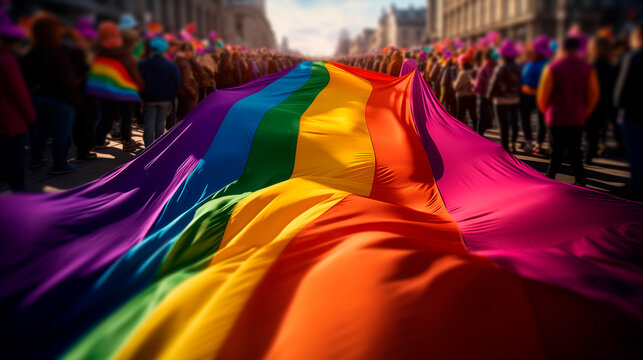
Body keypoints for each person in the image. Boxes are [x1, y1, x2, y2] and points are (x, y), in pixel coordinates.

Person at [21, 12, 79, 174]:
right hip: (60, 100)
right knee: (61, 133)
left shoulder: (30, 54)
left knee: (40, 130)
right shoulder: (57, 54)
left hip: (38, 99)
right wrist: (75, 100)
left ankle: (35, 159)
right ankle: (59, 164)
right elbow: (67, 80)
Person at [538, 36, 600, 187]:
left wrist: (546, 111)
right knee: (575, 151)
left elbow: (543, 95)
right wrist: (585, 112)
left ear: (562, 49)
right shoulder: (587, 69)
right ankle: (580, 180)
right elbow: (594, 95)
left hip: (556, 116)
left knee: (555, 151)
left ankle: (550, 177)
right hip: (577, 116)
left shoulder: (552, 68)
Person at [87, 21, 144, 152]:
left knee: (105, 116)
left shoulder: (101, 52)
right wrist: (141, 86)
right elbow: (134, 73)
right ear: (129, 42)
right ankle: (127, 141)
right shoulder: (125, 54)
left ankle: (99, 141)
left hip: (104, 90)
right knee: (126, 117)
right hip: (125, 91)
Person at [0, 10, 36, 190]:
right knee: (16, 164)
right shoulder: (7, 60)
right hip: (12, 121)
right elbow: (20, 94)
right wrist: (30, 118)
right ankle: (19, 202)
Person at [614, 24, 643, 199]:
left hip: (632, 112)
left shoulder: (633, 57)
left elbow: (621, 89)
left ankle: (637, 187)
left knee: (635, 152)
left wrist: (617, 107)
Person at [66, 18, 98, 162]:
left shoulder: (69, 52)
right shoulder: (79, 55)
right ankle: (83, 152)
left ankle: (83, 150)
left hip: (75, 95)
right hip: (84, 95)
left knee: (80, 124)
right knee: (84, 123)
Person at [138, 38, 180, 147]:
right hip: (165, 99)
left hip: (149, 98)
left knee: (149, 123)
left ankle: (148, 147)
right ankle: (157, 147)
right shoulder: (172, 66)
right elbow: (176, 83)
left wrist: (141, 96)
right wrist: (172, 97)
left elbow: (138, 82)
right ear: (164, 50)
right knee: (161, 122)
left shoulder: (143, 65)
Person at [585, 36, 616, 165]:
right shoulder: (610, 65)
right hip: (605, 102)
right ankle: (592, 153)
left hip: (593, 102)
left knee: (590, 131)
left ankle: (588, 155)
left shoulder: (593, 65)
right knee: (597, 130)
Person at [488, 39, 522, 152]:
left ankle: (505, 147)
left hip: (500, 100)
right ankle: (513, 141)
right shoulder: (519, 67)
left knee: (503, 125)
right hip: (515, 99)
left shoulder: (500, 68)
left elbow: (492, 85)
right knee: (514, 122)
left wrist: (489, 96)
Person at [520, 35, 552, 154]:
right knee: (541, 120)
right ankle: (538, 143)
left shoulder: (533, 63)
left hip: (529, 95)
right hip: (541, 95)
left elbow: (525, 79)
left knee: (527, 119)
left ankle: (529, 141)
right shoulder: (547, 63)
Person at [474, 48, 496, 136]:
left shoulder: (483, 68)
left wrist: (475, 89)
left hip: (483, 94)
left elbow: (478, 85)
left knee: (481, 115)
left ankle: (480, 134)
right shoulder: (496, 67)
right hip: (493, 94)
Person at [174, 42, 198, 124]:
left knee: (179, 118)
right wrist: (193, 93)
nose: (192, 54)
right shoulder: (185, 63)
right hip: (185, 94)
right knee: (184, 120)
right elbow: (185, 83)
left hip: (179, 93)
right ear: (187, 51)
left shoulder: (177, 61)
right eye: (191, 51)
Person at [453, 55, 478, 130]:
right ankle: (476, 128)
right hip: (472, 95)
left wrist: (453, 83)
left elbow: (456, 86)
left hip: (462, 96)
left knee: (460, 114)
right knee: (473, 113)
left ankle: (459, 129)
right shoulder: (473, 72)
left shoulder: (462, 74)